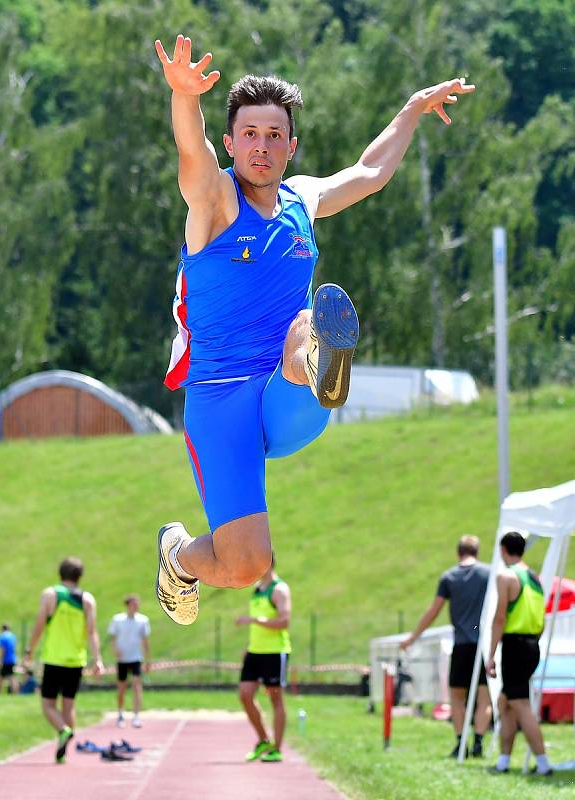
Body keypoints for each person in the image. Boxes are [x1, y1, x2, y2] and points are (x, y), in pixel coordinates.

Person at [153, 33, 475, 625]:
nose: (262, 146)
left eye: (275, 135)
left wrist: (411, 110)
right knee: (247, 565)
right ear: (231, 142)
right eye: (249, 134)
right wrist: (183, 95)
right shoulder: (215, 201)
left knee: (304, 321)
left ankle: (320, 361)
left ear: (291, 147)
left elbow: (371, 171)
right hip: (220, 400)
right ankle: (179, 557)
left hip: (285, 391)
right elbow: (191, 151)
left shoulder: (304, 198)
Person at [401, 535, 491, 757]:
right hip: (483, 645)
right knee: (484, 697)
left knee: (457, 698)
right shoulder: (488, 573)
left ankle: (461, 742)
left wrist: (413, 637)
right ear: (477, 552)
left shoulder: (449, 577)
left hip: (461, 646)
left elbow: (434, 611)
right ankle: (478, 742)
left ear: (458, 552)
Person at [24, 557, 104, 764]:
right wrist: (98, 660)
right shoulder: (87, 599)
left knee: (48, 705)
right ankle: (64, 751)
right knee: (69, 706)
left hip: (54, 658)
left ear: (60, 574)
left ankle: (63, 730)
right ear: (80, 576)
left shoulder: (51, 595)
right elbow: (92, 632)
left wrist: (29, 650)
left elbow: (39, 625)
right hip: (76, 660)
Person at [486, 531, 552, 776]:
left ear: (503, 550)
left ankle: (543, 763)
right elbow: (541, 617)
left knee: (520, 704)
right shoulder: (534, 577)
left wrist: (491, 654)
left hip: (514, 646)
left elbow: (500, 617)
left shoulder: (506, 576)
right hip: (532, 644)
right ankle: (503, 761)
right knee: (505, 702)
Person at [236, 553, 291, 763]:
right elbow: (257, 628)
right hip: (254, 652)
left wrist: (254, 619)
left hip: (274, 653)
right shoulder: (257, 589)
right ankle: (263, 740)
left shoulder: (279, 590)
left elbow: (284, 621)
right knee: (245, 695)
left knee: (275, 698)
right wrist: (248, 647)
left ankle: (277, 749)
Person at [108, 594, 151, 728]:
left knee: (137, 686)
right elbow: (113, 638)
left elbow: (145, 641)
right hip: (122, 659)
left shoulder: (143, 620)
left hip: (136, 658)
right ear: (127, 605)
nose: (136, 606)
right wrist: (115, 650)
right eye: (133, 604)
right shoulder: (117, 619)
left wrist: (148, 660)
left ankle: (136, 715)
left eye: (137, 604)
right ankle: (120, 714)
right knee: (121, 688)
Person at [0, 624, 18, 694]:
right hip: (13, 659)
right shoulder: (13, 636)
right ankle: (15, 692)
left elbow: (3, 649)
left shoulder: (2, 637)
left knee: (1, 677)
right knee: (12, 676)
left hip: (5, 660)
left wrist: (0, 660)